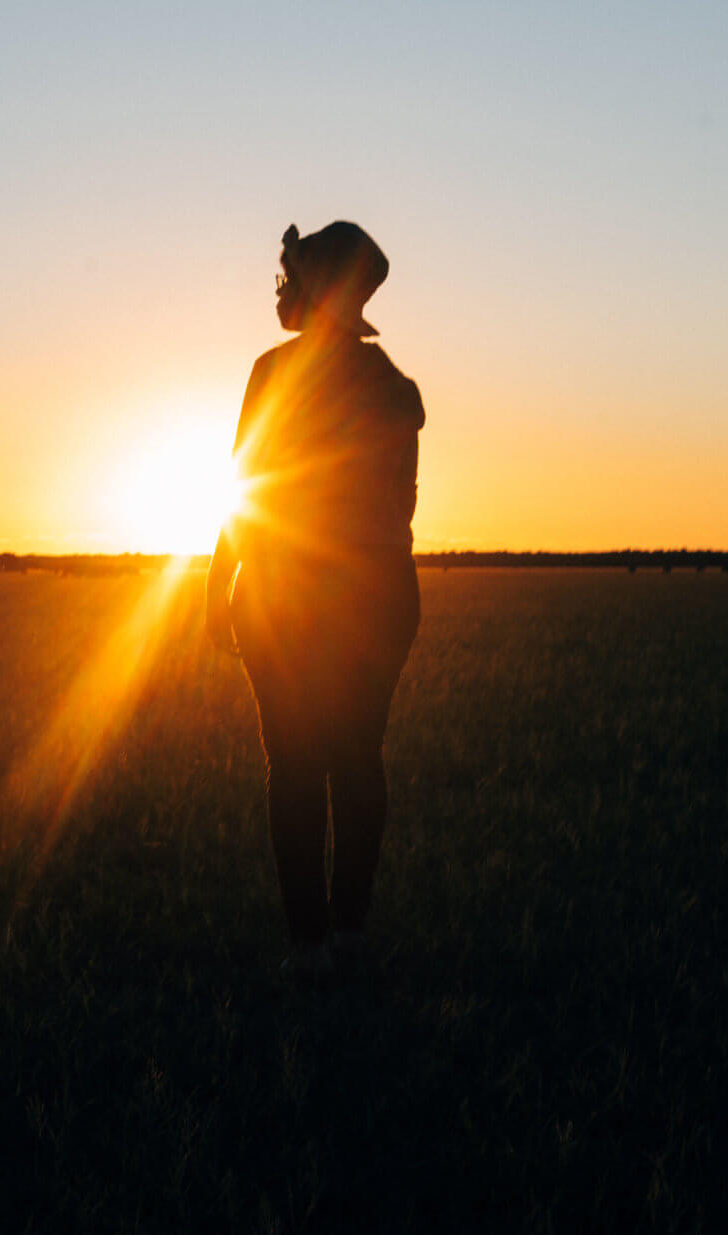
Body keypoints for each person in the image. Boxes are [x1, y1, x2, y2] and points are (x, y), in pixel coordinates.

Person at [206, 221, 424, 982]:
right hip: (374, 594)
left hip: (287, 595)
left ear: (316, 289)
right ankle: (347, 933)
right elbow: (399, 511)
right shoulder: (397, 389)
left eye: (291, 275)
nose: (281, 288)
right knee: (356, 758)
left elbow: (246, 489)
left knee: (298, 766)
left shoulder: (272, 374)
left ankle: (309, 946)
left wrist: (218, 584)